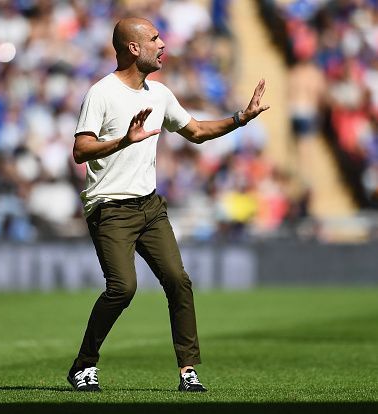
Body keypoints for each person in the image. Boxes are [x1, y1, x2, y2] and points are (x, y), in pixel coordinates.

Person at [68, 17, 269, 392]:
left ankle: (188, 371)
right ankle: (84, 365)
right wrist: (124, 141)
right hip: (109, 208)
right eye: (155, 39)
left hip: (149, 207)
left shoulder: (158, 94)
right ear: (133, 48)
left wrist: (242, 118)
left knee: (178, 281)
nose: (163, 45)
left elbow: (195, 132)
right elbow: (81, 150)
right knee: (122, 288)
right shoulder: (101, 93)